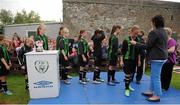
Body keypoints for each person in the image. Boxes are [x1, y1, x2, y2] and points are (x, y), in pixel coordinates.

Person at [131, 15, 168, 102]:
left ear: (155, 22)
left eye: (152, 22)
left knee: (156, 77)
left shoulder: (154, 32)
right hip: (162, 57)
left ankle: (157, 96)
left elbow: (147, 46)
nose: (151, 23)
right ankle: (151, 91)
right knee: (153, 75)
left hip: (157, 58)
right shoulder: (164, 31)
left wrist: (135, 43)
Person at [120, 25, 141, 97]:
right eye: (135, 33)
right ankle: (126, 89)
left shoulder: (138, 40)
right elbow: (122, 52)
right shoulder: (126, 40)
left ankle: (128, 86)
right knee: (127, 74)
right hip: (127, 59)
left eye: (137, 33)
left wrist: (139, 60)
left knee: (131, 74)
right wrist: (121, 61)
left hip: (134, 60)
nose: (136, 35)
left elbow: (138, 52)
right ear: (131, 32)